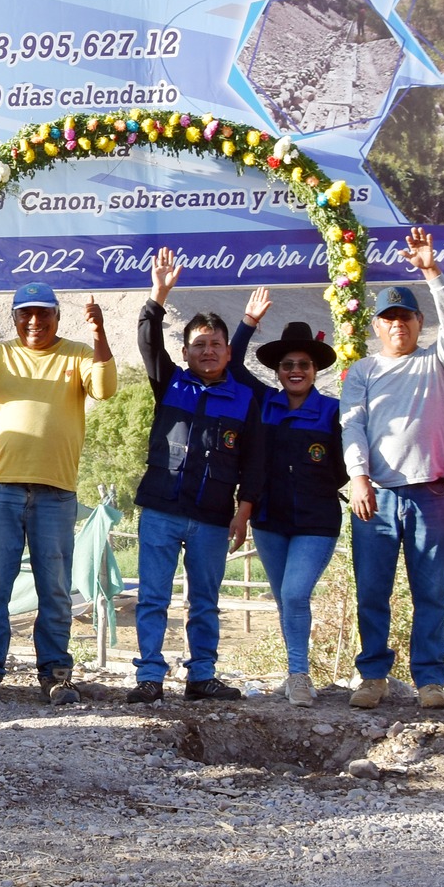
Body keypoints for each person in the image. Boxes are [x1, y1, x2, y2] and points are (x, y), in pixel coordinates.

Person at [0, 282, 115, 703]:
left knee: (54, 587)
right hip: (1, 488)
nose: (34, 322)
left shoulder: (77, 353)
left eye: (43, 313)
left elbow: (105, 389)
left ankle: (56, 672)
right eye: (25, 314)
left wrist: (99, 334)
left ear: (58, 315)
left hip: (56, 492)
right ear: (14, 318)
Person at [339, 227, 444, 710]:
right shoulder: (364, 371)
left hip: (431, 494)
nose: (398, 325)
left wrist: (431, 272)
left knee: (430, 590)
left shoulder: (438, 361)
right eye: (389, 318)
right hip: (375, 494)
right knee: (372, 591)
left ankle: (430, 679)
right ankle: (372, 676)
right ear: (376, 326)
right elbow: (351, 426)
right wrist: (357, 477)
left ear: (419, 322)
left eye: (406, 317)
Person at [129, 248, 265, 704]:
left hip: (211, 517)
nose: (207, 351)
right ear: (185, 351)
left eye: (216, 345)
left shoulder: (246, 398)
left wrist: (244, 511)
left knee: (204, 602)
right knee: (152, 598)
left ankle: (201, 676)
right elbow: (148, 341)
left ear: (228, 352)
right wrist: (158, 294)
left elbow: (254, 462)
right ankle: (149, 676)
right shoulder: (170, 382)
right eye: (199, 344)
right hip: (162, 509)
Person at [231, 292, 347, 707]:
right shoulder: (263, 403)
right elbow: (232, 360)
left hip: (317, 522)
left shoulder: (334, 411)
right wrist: (248, 321)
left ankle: (299, 676)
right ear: (277, 371)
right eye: (288, 365)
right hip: (269, 520)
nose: (295, 370)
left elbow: (345, 464)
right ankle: (294, 671)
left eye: (304, 364)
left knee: (296, 595)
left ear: (315, 370)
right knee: (284, 600)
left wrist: (318, 485)